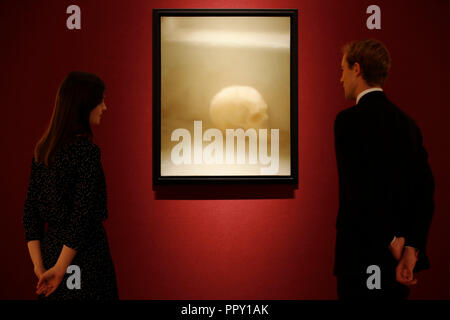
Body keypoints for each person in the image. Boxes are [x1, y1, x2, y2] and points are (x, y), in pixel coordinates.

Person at [334, 39, 434, 299]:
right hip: (399, 264)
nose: (340, 79)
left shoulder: (347, 122)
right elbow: (425, 191)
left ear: (357, 69)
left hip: (361, 256)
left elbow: (357, 189)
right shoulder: (408, 125)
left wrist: (391, 241)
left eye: (342, 70)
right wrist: (411, 248)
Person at [23, 71, 118, 300]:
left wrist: (40, 267)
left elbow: (30, 215)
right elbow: (81, 218)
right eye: (101, 100)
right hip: (85, 258)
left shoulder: (42, 152)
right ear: (85, 105)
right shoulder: (87, 153)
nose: (104, 107)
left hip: (51, 255)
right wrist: (61, 268)